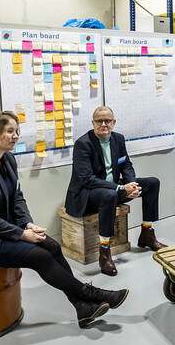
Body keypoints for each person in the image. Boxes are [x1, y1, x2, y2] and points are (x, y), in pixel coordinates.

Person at [0, 111, 128, 329]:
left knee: (52, 246)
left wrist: (27, 223)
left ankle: (83, 307)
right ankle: (91, 294)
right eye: (10, 131)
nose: (16, 136)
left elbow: (17, 198)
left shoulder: (6, 159)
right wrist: (21, 234)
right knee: (39, 257)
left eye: (17, 131)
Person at [64, 106, 166, 277]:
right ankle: (104, 252)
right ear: (93, 123)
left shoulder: (118, 139)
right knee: (109, 195)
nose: (104, 124)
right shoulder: (83, 144)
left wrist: (131, 183)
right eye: (99, 121)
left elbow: (125, 164)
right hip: (88, 193)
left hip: (113, 187)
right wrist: (121, 188)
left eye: (108, 121)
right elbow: (86, 179)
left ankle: (147, 233)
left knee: (152, 183)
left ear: (114, 122)